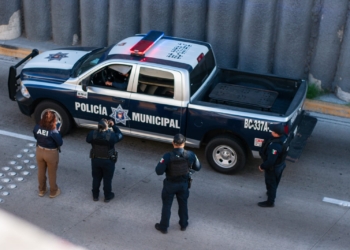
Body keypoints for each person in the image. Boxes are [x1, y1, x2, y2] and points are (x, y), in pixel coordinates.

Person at [155, 133, 201, 234]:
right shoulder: (190, 154)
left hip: (170, 185)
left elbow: (158, 171)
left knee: (167, 205)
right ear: (184, 143)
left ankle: (164, 227)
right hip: (184, 185)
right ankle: (183, 224)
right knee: (183, 204)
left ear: (173, 143)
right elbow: (198, 167)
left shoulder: (167, 156)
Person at [86, 118, 123, 202]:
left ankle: (95, 195)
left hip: (96, 160)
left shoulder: (93, 134)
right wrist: (114, 126)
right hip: (108, 161)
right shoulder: (111, 136)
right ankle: (107, 196)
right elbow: (120, 135)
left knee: (96, 178)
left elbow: (87, 139)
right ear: (107, 127)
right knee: (107, 179)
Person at [33, 111, 63, 198]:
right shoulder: (53, 131)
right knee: (52, 173)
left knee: (41, 171)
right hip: (51, 153)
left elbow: (35, 136)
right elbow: (60, 142)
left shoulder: (37, 127)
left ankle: (42, 190)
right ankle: (53, 192)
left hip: (39, 150)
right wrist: (58, 131)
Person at [258, 123, 287, 207]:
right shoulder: (284, 137)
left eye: (272, 130)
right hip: (281, 164)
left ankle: (270, 202)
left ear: (275, 133)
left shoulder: (275, 146)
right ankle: (270, 192)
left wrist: (262, 166)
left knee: (271, 183)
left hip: (273, 168)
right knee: (275, 181)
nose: (271, 132)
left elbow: (270, 161)